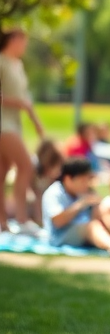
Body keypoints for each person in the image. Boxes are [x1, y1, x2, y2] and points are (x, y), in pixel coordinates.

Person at [0, 27, 46, 236]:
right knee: (26, 166)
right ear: (14, 39)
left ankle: (3, 223)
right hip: (4, 123)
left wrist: (35, 121)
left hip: (14, 122)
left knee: (2, 172)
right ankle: (21, 219)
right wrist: (16, 102)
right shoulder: (1, 62)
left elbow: (25, 98)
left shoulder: (17, 64)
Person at [40, 157, 110, 254]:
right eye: (82, 181)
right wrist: (81, 204)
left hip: (84, 232)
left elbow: (98, 214)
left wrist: (97, 207)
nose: (86, 184)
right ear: (68, 179)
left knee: (105, 213)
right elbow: (57, 221)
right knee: (91, 227)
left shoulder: (85, 191)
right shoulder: (54, 193)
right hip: (60, 237)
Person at [28, 139, 64, 225]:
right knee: (35, 197)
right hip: (34, 198)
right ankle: (40, 221)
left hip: (46, 198)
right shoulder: (33, 166)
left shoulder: (58, 162)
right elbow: (31, 189)